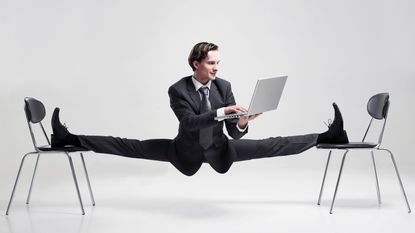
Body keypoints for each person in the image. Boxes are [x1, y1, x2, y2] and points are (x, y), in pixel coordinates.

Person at [51, 42, 349, 176]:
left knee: (274, 144)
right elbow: (190, 123)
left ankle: (328, 136)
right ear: (196, 64)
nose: (216, 68)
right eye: (211, 63)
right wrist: (222, 113)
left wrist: (242, 121)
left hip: (222, 151)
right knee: (129, 145)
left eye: (218, 62)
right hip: (184, 152)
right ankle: (69, 138)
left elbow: (235, 133)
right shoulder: (178, 90)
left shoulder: (224, 86)